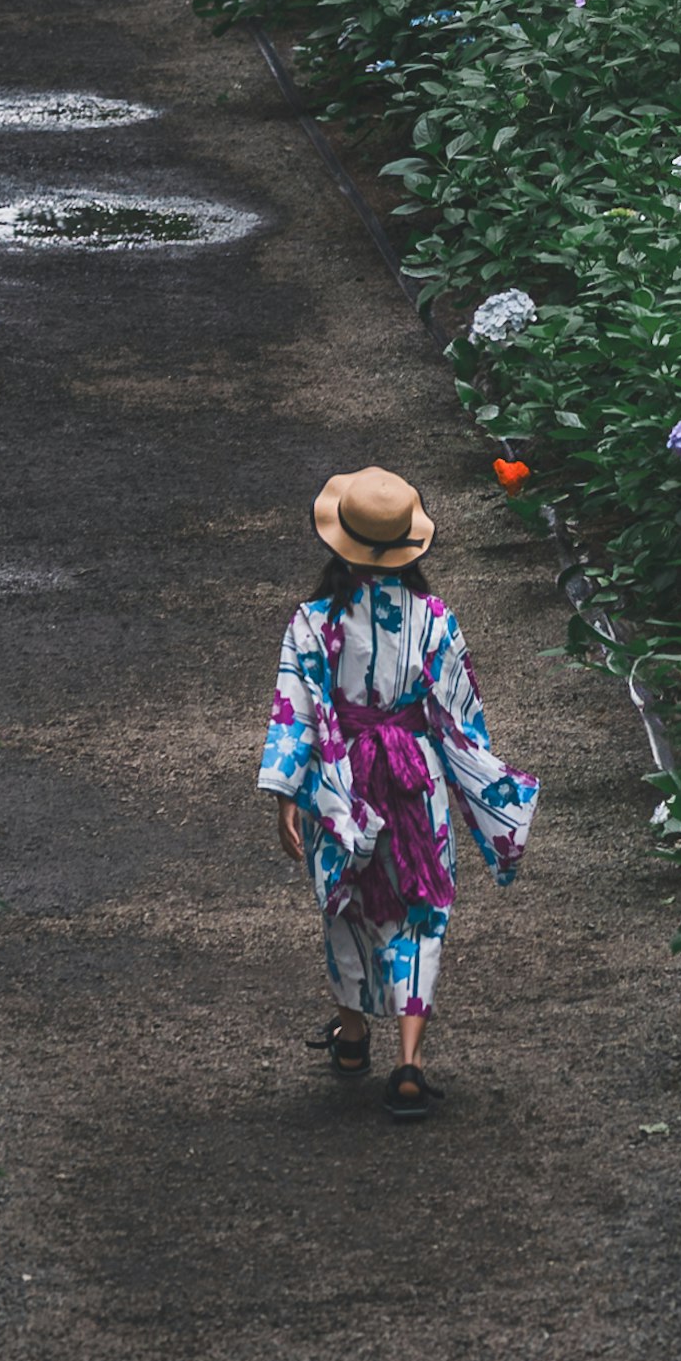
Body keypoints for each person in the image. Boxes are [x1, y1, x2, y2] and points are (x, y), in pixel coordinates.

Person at [258, 465, 535, 1115]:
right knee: (422, 908)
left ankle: (353, 1038)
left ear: (338, 542)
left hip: (340, 778)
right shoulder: (435, 617)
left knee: (348, 904)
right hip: (415, 778)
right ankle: (409, 1064)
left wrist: (286, 797)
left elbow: (295, 710)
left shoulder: (314, 622)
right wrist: (483, 788)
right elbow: (459, 716)